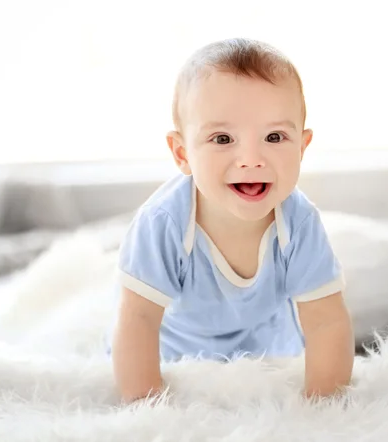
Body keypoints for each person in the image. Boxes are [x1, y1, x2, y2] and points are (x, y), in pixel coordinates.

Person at [110, 37, 354, 403]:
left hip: (269, 351)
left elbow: (326, 321)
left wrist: (323, 408)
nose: (251, 159)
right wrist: (147, 406)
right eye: (223, 138)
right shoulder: (164, 223)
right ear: (182, 153)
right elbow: (138, 321)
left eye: (274, 136)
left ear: (302, 147)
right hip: (173, 352)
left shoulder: (298, 223)